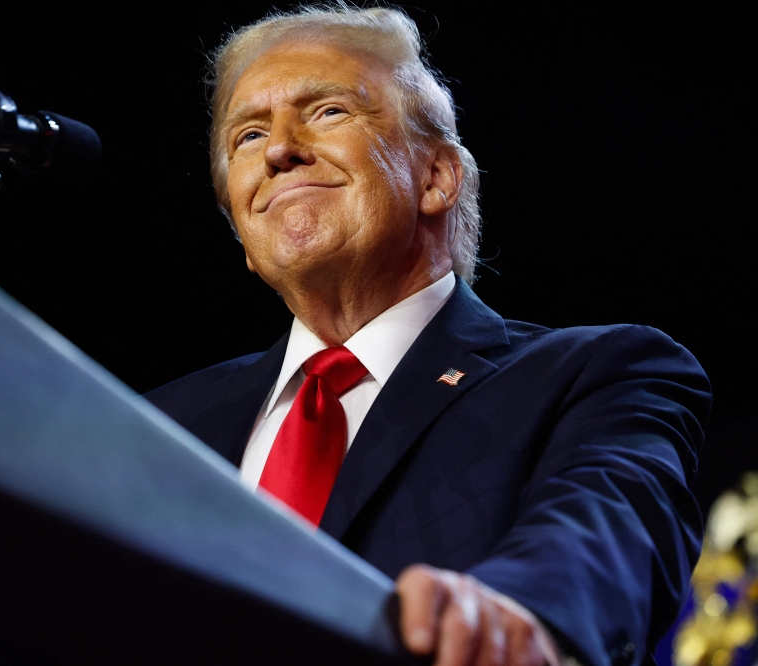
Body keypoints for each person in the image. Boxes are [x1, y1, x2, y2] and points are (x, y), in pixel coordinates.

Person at [146, 6, 711, 666]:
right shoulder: (157, 426)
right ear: (243, 230)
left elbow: (606, 527)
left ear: (436, 177)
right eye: (246, 136)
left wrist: (515, 613)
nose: (278, 150)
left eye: (327, 111)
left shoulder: (593, 375)